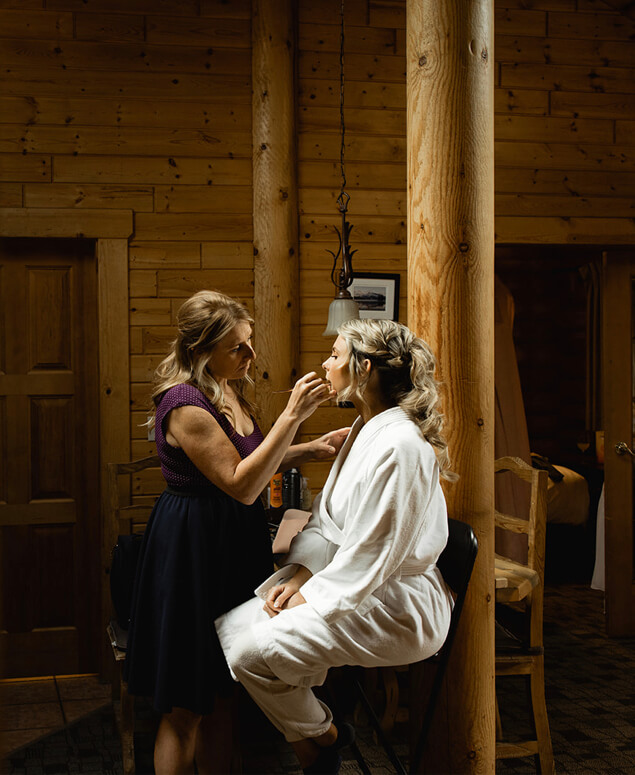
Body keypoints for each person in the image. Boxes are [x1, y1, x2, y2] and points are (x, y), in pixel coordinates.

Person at [215, 318, 457, 775]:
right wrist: (302, 573)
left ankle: (320, 739)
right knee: (233, 629)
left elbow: (375, 551)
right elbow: (326, 519)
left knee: (250, 652)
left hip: (397, 604)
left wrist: (311, 596)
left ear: (363, 368)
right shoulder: (364, 428)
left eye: (334, 356)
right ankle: (323, 742)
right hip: (352, 583)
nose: (325, 365)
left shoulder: (402, 445)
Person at [123, 290, 349, 775]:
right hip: (193, 548)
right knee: (186, 701)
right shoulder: (185, 405)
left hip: (230, 543)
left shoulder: (226, 388)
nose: (251, 354)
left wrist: (307, 448)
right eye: (237, 347)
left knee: (225, 689)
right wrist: (291, 416)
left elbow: (245, 460)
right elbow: (241, 484)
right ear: (200, 350)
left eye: (249, 341)